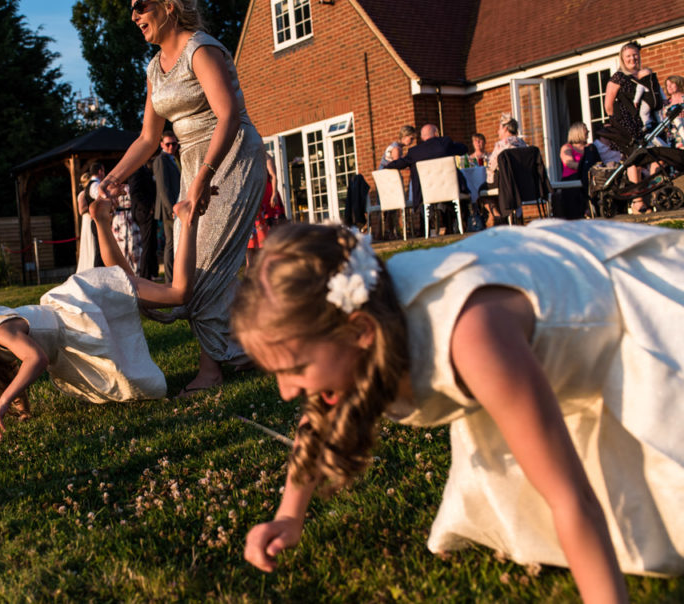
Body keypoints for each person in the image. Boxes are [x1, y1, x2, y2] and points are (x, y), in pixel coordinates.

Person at [235, 220, 684, 600]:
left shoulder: (475, 340)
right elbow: (317, 418)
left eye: (295, 369)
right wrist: (288, 517)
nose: (286, 392)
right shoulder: (364, 323)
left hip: (614, 302)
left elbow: (572, 498)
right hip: (523, 292)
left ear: (360, 332)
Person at [99, 0, 266, 395]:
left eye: (141, 5)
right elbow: (148, 138)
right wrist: (114, 179)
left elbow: (228, 116)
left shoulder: (202, 50)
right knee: (192, 268)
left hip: (229, 157)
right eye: (131, 8)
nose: (134, 16)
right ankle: (255, 347)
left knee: (204, 265)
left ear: (168, 6)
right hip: (193, 161)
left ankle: (215, 368)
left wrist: (201, 182)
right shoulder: (155, 68)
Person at [0, 197, 199, 440]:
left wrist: (2, 404)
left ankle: (185, 219)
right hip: (75, 315)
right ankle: (101, 219)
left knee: (178, 293)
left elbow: (36, 359)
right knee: (122, 275)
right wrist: (22, 412)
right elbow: (11, 375)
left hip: (86, 304)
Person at [385, 124, 468, 234]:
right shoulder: (445, 143)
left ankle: (428, 227)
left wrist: (386, 167)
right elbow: (463, 149)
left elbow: (400, 163)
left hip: (426, 194)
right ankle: (460, 223)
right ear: (436, 134)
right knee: (463, 195)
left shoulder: (414, 152)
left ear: (423, 137)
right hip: (449, 190)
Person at [604, 42, 655, 212]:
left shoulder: (642, 74)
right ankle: (637, 201)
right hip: (625, 124)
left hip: (642, 122)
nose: (633, 58)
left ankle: (651, 196)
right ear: (622, 59)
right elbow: (608, 104)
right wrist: (618, 122)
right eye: (629, 56)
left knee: (648, 160)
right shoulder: (618, 77)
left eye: (635, 55)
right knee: (633, 161)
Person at [480, 113, 528, 226]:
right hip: (522, 184)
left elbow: (491, 166)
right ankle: (510, 216)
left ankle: (498, 216)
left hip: (506, 184)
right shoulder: (523, 144)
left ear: (505, 128)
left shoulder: (501, 145)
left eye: (499, 128)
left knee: (482, 190)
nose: (498, 132)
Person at [153, 131, 182, 281]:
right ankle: (170, 280)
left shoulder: (174, 158)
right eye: (168, 144)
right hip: (169, 210)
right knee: (170, 244)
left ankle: (176, 277)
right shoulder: (160, 160)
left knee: (176, 243)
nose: (172, 147)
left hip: (177, 206)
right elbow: (163, 188)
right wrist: (172, 209)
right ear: (162, 145)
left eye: (174, 144)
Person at [76, 172, 100, 273]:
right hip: (87, 219)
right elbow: (81, 210)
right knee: (90, 241)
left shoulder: (88, 192)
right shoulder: (82, 194)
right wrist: (92, 206)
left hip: (91, 218)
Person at [662, 75, 684, 149]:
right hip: (674, 139)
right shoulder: (666, 105)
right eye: (667, 85)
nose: (669, 87)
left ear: (679, 83)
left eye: (672, 84)